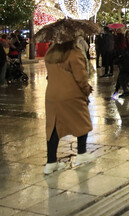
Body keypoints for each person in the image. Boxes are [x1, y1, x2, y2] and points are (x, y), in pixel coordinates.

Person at [43, 38, 95, 174]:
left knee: (53, 127)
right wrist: (86, 90)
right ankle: (82, 153)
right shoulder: (74, 54)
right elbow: (81, 78)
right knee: (82, 122)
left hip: (52, 94)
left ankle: (51, 162)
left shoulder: (50, 53)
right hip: (71, 94)